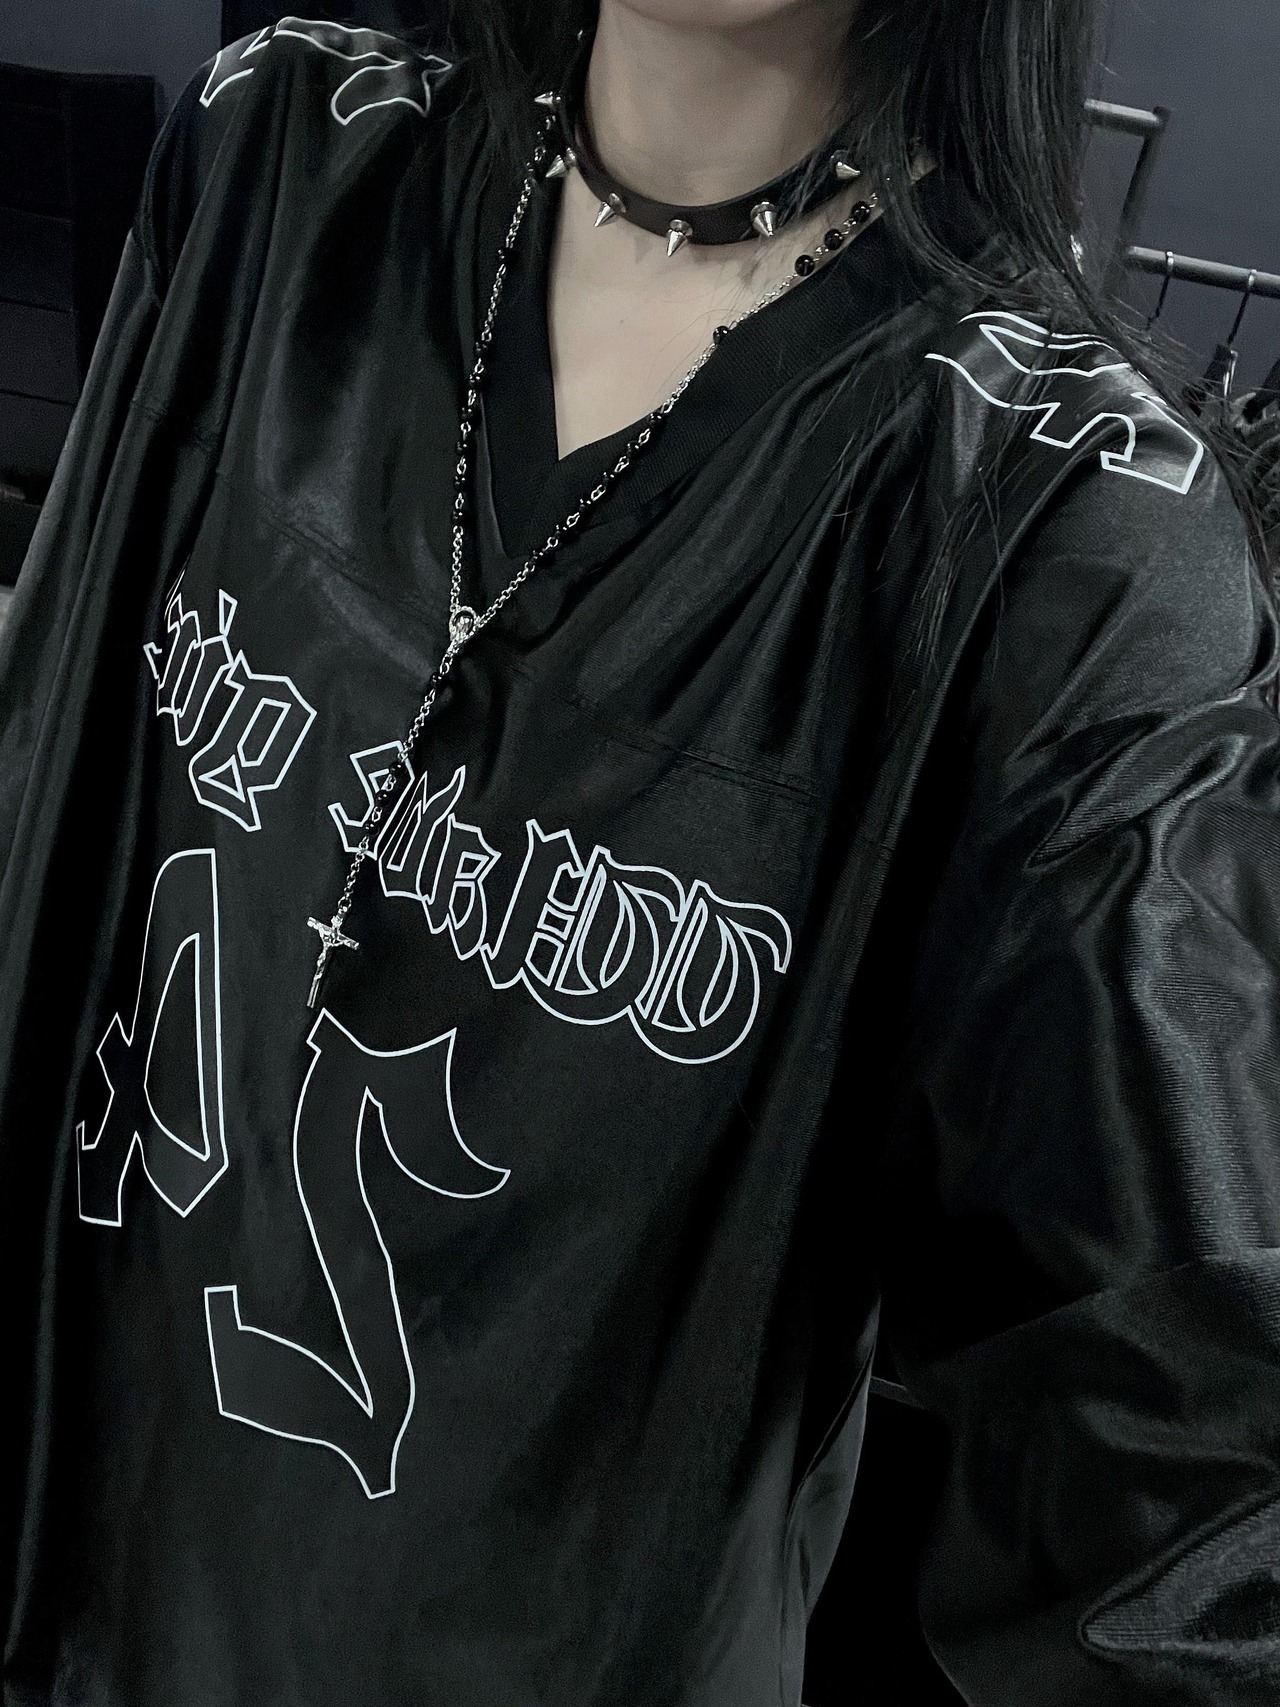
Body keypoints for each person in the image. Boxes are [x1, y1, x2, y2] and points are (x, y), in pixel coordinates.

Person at [2, 2, 1279, 1703]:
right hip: (78, 1608)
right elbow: (42, 803)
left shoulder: (1061, 516)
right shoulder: (282, 160)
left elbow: (1187, 1471)